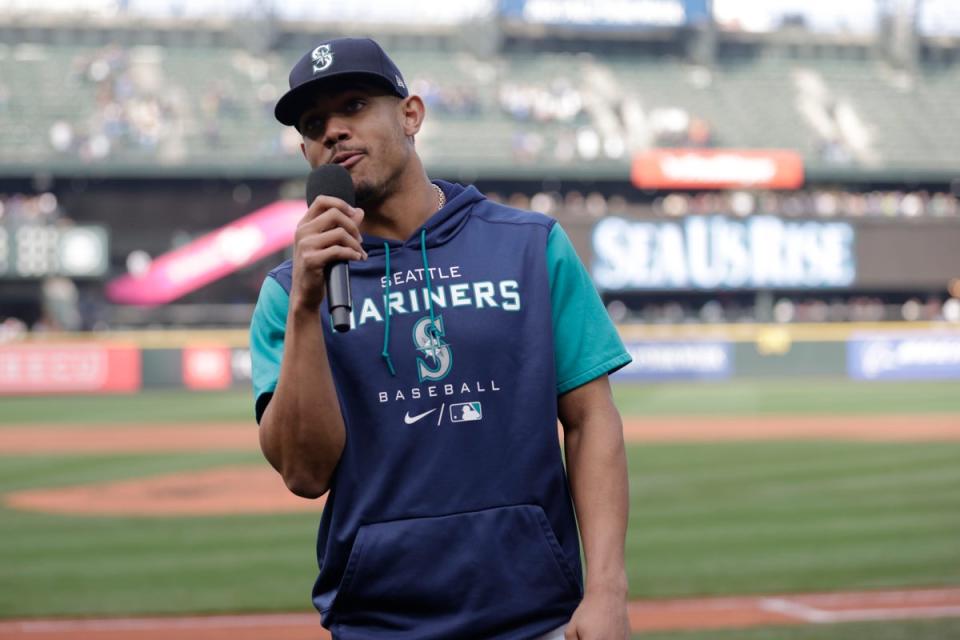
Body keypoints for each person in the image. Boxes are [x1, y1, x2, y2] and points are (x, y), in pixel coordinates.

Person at [250, 37, 632, 639]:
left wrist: (607, 587)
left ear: (411, 114)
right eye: (314, 123)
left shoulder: (530, 246)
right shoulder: (289, 292)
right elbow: (304, 473)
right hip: (379, 625)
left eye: (353, 106)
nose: (334, 131)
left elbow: (591, 421)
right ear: (305, 151)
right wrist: (306, 307)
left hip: (536, 617)